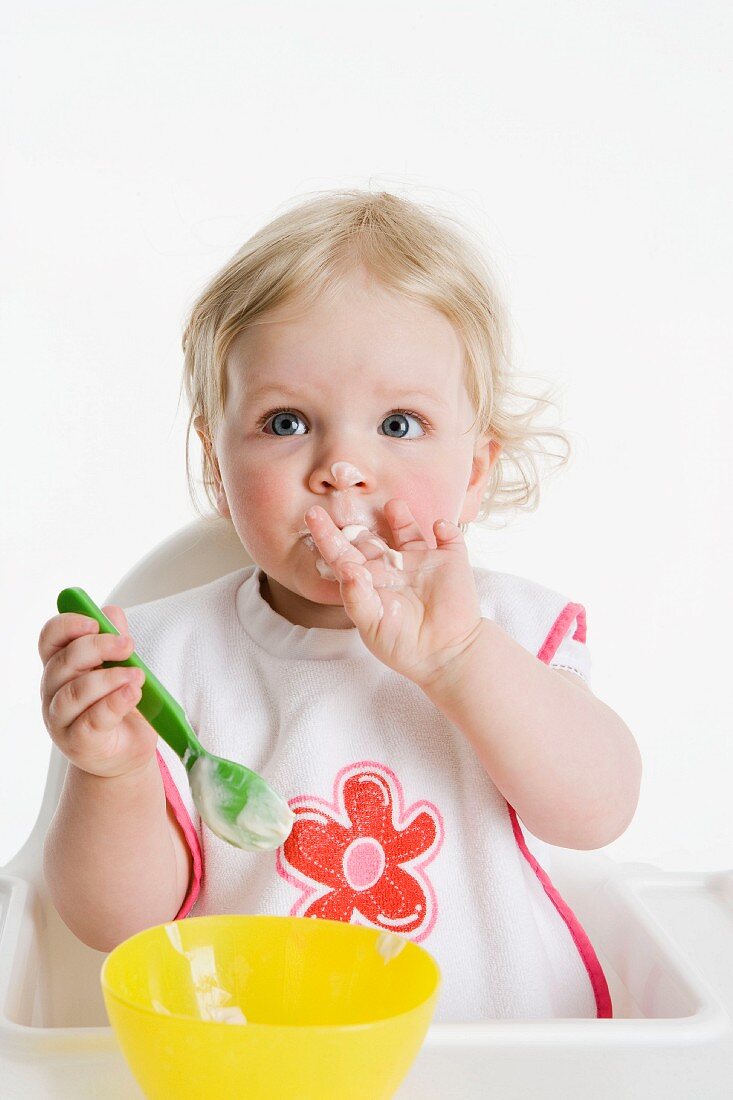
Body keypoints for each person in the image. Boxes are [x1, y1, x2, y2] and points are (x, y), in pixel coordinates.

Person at [39, 189, 641, 1021]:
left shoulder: (503, 632)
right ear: (217, 466)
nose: (341, 466)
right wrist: (111, 773)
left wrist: (459, 658)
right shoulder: (163, 661)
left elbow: (596, 812)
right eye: (285, 421)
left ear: (474, 470)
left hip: (497, 1056)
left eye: (399, 424)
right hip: (262, 1059)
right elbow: (117, 925)